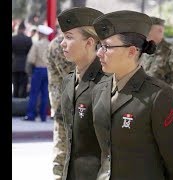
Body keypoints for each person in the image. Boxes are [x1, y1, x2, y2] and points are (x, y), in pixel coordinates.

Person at [92, 10, 173, 179]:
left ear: (131, 51)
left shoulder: (158, 96)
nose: (99, 53)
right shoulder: (100, 89)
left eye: (107, 47)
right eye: (100, 46)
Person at [57, 7, 105, 180]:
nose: (62, 43)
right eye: (63, 37)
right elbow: (64, 135)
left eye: (69, 37)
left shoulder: (107, 82)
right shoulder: (68, 81)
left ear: (90, 42)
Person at [46, 28, 75, 179]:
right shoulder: (59, 44)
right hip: (64, 102)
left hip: (67, 100)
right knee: (63, 149)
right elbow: (71, 74)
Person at [140, 16, 173, 94]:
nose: (145, 32)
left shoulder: (171, 51)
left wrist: (170, 93)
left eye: (149, 29)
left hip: (159, 102)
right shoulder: (141, 49)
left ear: (160, 31)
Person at [24, 25, 53, 121]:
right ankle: (43, 116)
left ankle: (31, 115)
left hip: (38, 70)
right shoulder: (50, 45)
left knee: (34, 93)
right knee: (45, 93)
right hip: (47, 70)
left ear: (41, 34)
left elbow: (31, 59)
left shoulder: (36, 44)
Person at [12, 21, 33, 98]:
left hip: (14, 65)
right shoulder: (28, 40)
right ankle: (22, 103)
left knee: (15, 85)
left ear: (18, 29)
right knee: (23, 85)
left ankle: (14, 102)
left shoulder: (13, 39)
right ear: (24, 29)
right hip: (25, 65)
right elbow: (30, 53)